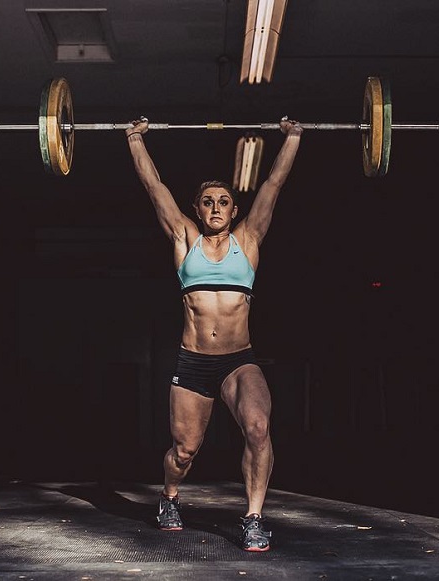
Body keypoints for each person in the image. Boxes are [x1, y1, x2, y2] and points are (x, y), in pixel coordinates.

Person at [124, 116, 303, 552]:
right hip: (194, 362)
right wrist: (133, 140)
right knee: (183, 453)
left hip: (238, 360)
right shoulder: (185, 238)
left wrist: (293, 139)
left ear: (234, 209)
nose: (217, 207)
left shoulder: (250, 238)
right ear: (198, 207)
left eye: (224, 201)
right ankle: (169, 497)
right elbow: (154, 188)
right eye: (208, 202)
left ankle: (254, 518)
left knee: (259, 429)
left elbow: (273, 187)